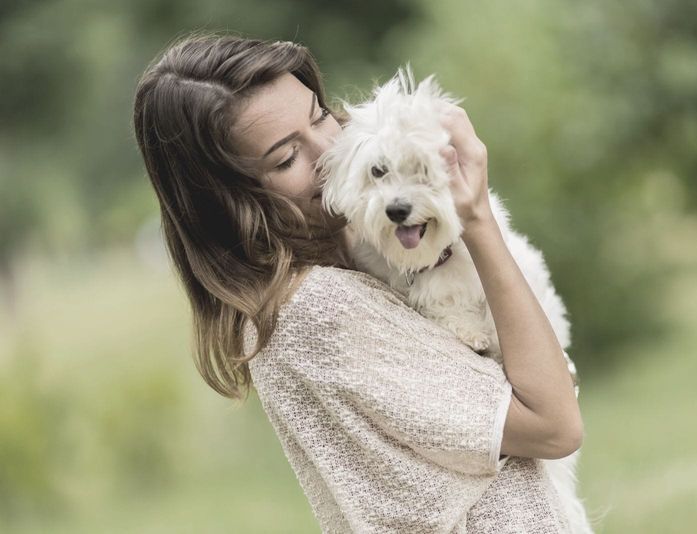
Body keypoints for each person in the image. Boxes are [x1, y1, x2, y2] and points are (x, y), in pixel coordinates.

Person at [133, 33, 583, 533]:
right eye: (286, 159)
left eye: (320, 114)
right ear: (228, 203)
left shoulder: (351, 263)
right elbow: (555, 425)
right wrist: (475, 221)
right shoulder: (317, 310)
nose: (331, 152)